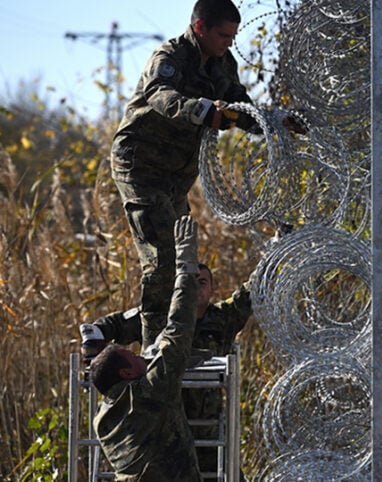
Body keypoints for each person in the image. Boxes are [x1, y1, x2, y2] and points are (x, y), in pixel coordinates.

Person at [110, 0, 302, 350]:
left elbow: (240, 107)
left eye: (233, 36)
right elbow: (160, 95)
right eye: (223, 35)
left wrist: (274, 121)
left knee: (185, 260)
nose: (229, 42)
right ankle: (157, 353)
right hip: (141, 165)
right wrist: (199, 110)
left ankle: (179, 341)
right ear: (200, 28)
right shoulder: (170, 57)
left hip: (175, 176)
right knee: (163, 258)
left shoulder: (222, 64)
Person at [81, 262, 253, 478]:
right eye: (190, 281)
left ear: (211, 290)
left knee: (228, 475)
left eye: (202, 282)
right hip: (163, 429)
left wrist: (275, 251)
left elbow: (249, 293)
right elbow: (111, 326)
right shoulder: (157, 318)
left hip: (206, 427)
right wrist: (93, 350)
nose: (196, 287)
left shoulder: (223, 317)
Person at [89, 215, 202, 481]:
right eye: (133, 356)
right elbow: (179, 330)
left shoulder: (102, 420)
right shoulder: (149, 393)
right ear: (126, 374)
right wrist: (186, 268)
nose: (140, 355)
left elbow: (102, 370)